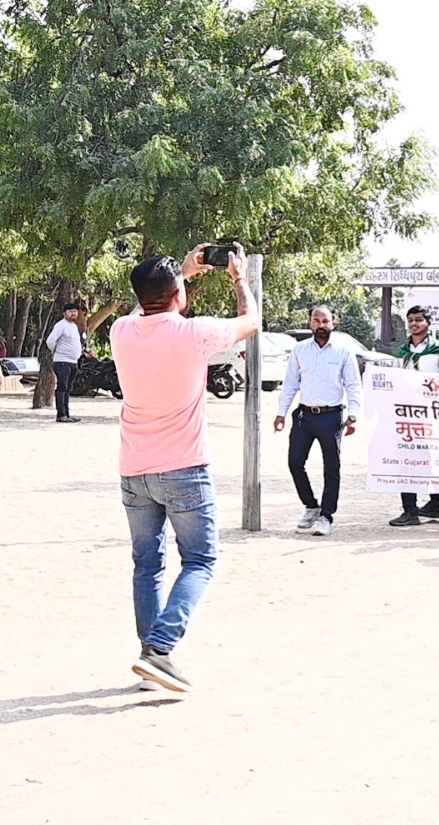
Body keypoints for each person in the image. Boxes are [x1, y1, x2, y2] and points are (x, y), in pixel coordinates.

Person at [110, 243, 260, 692]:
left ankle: (151, 656)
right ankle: (160, 648)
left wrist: (184, 271)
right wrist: (239, 279)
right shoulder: (194, 333)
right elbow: (251, 322)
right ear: (178, 293)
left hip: (134, 467)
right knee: (200, 560)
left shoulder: (120, 330)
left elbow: (155, 304)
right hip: (184, 467)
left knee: (146, 563)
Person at [272, 306, 362, 537]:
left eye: (325, 321)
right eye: (316, 320)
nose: (321, 325)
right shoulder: (300, 350)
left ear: (334, 322)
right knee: (295, 462)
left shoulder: (343, 352)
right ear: (310, 323)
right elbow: (291, 382)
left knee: (331, 468)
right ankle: (311, 506)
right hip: (304, 416)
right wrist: (281, 413)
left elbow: (353, 385)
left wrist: (353, 416)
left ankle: (326, 516)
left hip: (332, 417)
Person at [386, 306, 439, 526]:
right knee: (407, 459)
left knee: (434, 460)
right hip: (408, 414)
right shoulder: (403, 352)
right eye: (411, 320)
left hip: (433, 414)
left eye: (419, 320)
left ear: (428, 322)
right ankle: (410, 510)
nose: (414, 324)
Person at [46, 301, 84, 423]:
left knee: (68, 389)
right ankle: (61, 415)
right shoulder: (60, 325)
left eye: (75, 311)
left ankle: (66, 414)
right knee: (62, 388)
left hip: (73, 362)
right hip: (62, 361)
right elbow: (50, 341)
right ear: (64, 313)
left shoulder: (74, 326)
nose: (73, 314)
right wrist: (56, 351)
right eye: (70, 311)